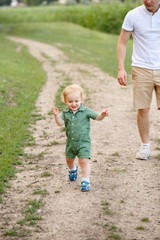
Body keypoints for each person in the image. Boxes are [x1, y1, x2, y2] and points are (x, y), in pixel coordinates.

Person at [117, 0, 160, 160]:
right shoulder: (133, 15)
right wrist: (121, 68)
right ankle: (145, 146)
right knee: (143, 109)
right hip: (141, 68)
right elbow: (122, 43)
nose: (148, 1)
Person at [52, 84, 109, 191]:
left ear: (81, 100)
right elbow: (60, 123)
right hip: (71, 143)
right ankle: (73, 169)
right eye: (70, 101)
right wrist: (56, 115)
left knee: (84, 161)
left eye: (76, 101)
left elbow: (97, 117)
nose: (74, 104)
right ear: (65, 101)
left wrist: (103, 114)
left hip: (84, 143)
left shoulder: (86, 111)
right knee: (69, 160)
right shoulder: (65, 112)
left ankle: (85, 181)